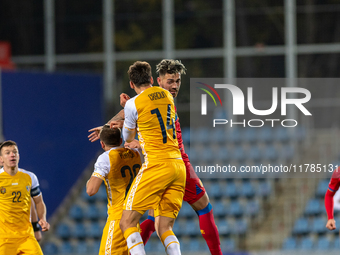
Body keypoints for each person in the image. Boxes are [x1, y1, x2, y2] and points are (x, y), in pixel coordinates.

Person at [88, 59, 222, 254]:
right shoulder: (166, 98)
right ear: (156, 80)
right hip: (177, 164)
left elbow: (133, 118)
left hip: (161, 163)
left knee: (138, 220)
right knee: (160, 222)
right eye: (170, 81)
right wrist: (113, 123)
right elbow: (140, 114)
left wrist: (115, 126)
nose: (174, 86)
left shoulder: (149, 100)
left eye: (177, 81)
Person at [120, 61, 186, 255]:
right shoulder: (167, 95)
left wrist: (127, 108)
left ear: (131, 84)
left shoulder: (133, 104)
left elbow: (128, 138)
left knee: (127, 222)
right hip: (178, 166)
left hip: (157, 165)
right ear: (151, 79)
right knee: (164, 227)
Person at [86, 125, 142, 254]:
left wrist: (90, 180)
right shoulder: (136, 153)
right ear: (121, 140)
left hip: (118, 220)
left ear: (102, 144)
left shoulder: (106, 158)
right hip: (134, 219)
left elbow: (91, 190)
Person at [0, 140, 50, 254]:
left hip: (26, 236)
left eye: (15, 152)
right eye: (7, 153)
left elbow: (38, 202)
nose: (12, 154)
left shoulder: (30, 177)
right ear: (1, 159)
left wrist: (42, 219)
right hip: (4, 238)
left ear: (19, 156)